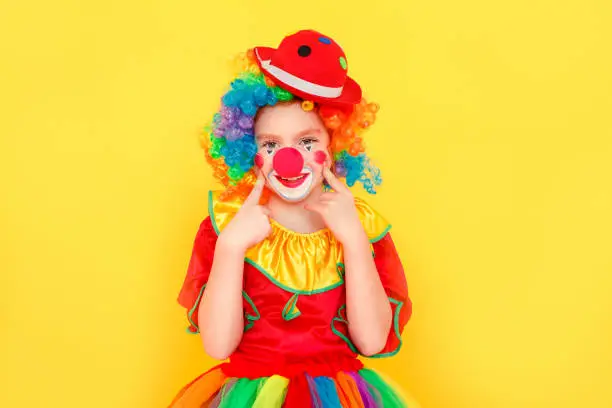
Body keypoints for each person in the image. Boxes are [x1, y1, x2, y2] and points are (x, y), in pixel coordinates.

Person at [169, 29, 417, 407]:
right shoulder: (227, 226)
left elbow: (371, 340)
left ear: (334, 145)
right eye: (271, 145)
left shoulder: (361, 227)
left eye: (307, 142)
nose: (290, 158)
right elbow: (217, 344)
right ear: (249, 151)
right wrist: (231, 247)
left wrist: (353, 241)